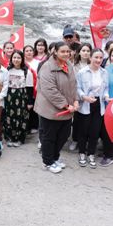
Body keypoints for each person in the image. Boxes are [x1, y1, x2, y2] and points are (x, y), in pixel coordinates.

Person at [34, 42, 78, 174]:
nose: (66, 54)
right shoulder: (47, 67)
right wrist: (66, 104)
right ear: (55, 52)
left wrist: (75, 100)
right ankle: (47, 162)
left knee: (63, 135)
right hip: (50, 110)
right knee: (49, 137)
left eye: (68, 51)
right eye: (63, 52)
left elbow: (73, 85)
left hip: (67, 109)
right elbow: (50, 91)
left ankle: (54, 157)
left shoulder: (68, 65)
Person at [75, 49, 109, 169]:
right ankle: (82, 153)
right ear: (90, 58)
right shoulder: (82, 72)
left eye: (101, 58)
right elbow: (77, 88)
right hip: (85, 103)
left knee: (95, 131)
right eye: (96, 57)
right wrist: (84, 97)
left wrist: (106, 96)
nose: (98, 60)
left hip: (99, 104)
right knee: (83, 131)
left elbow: (106, 88)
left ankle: (91, 154)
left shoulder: (104, 72)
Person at [3, 50, 33, 147]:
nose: (16, 60)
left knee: (21, 118)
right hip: (9, 97)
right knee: (9, 118)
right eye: (14, 57)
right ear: (11, 59)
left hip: (21, 97)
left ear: (22, 59)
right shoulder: (7, 70)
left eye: (18, 58)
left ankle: (19, 139)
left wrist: (29, 102)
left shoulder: (26, 72)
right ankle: (10, 138)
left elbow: (29, 88)